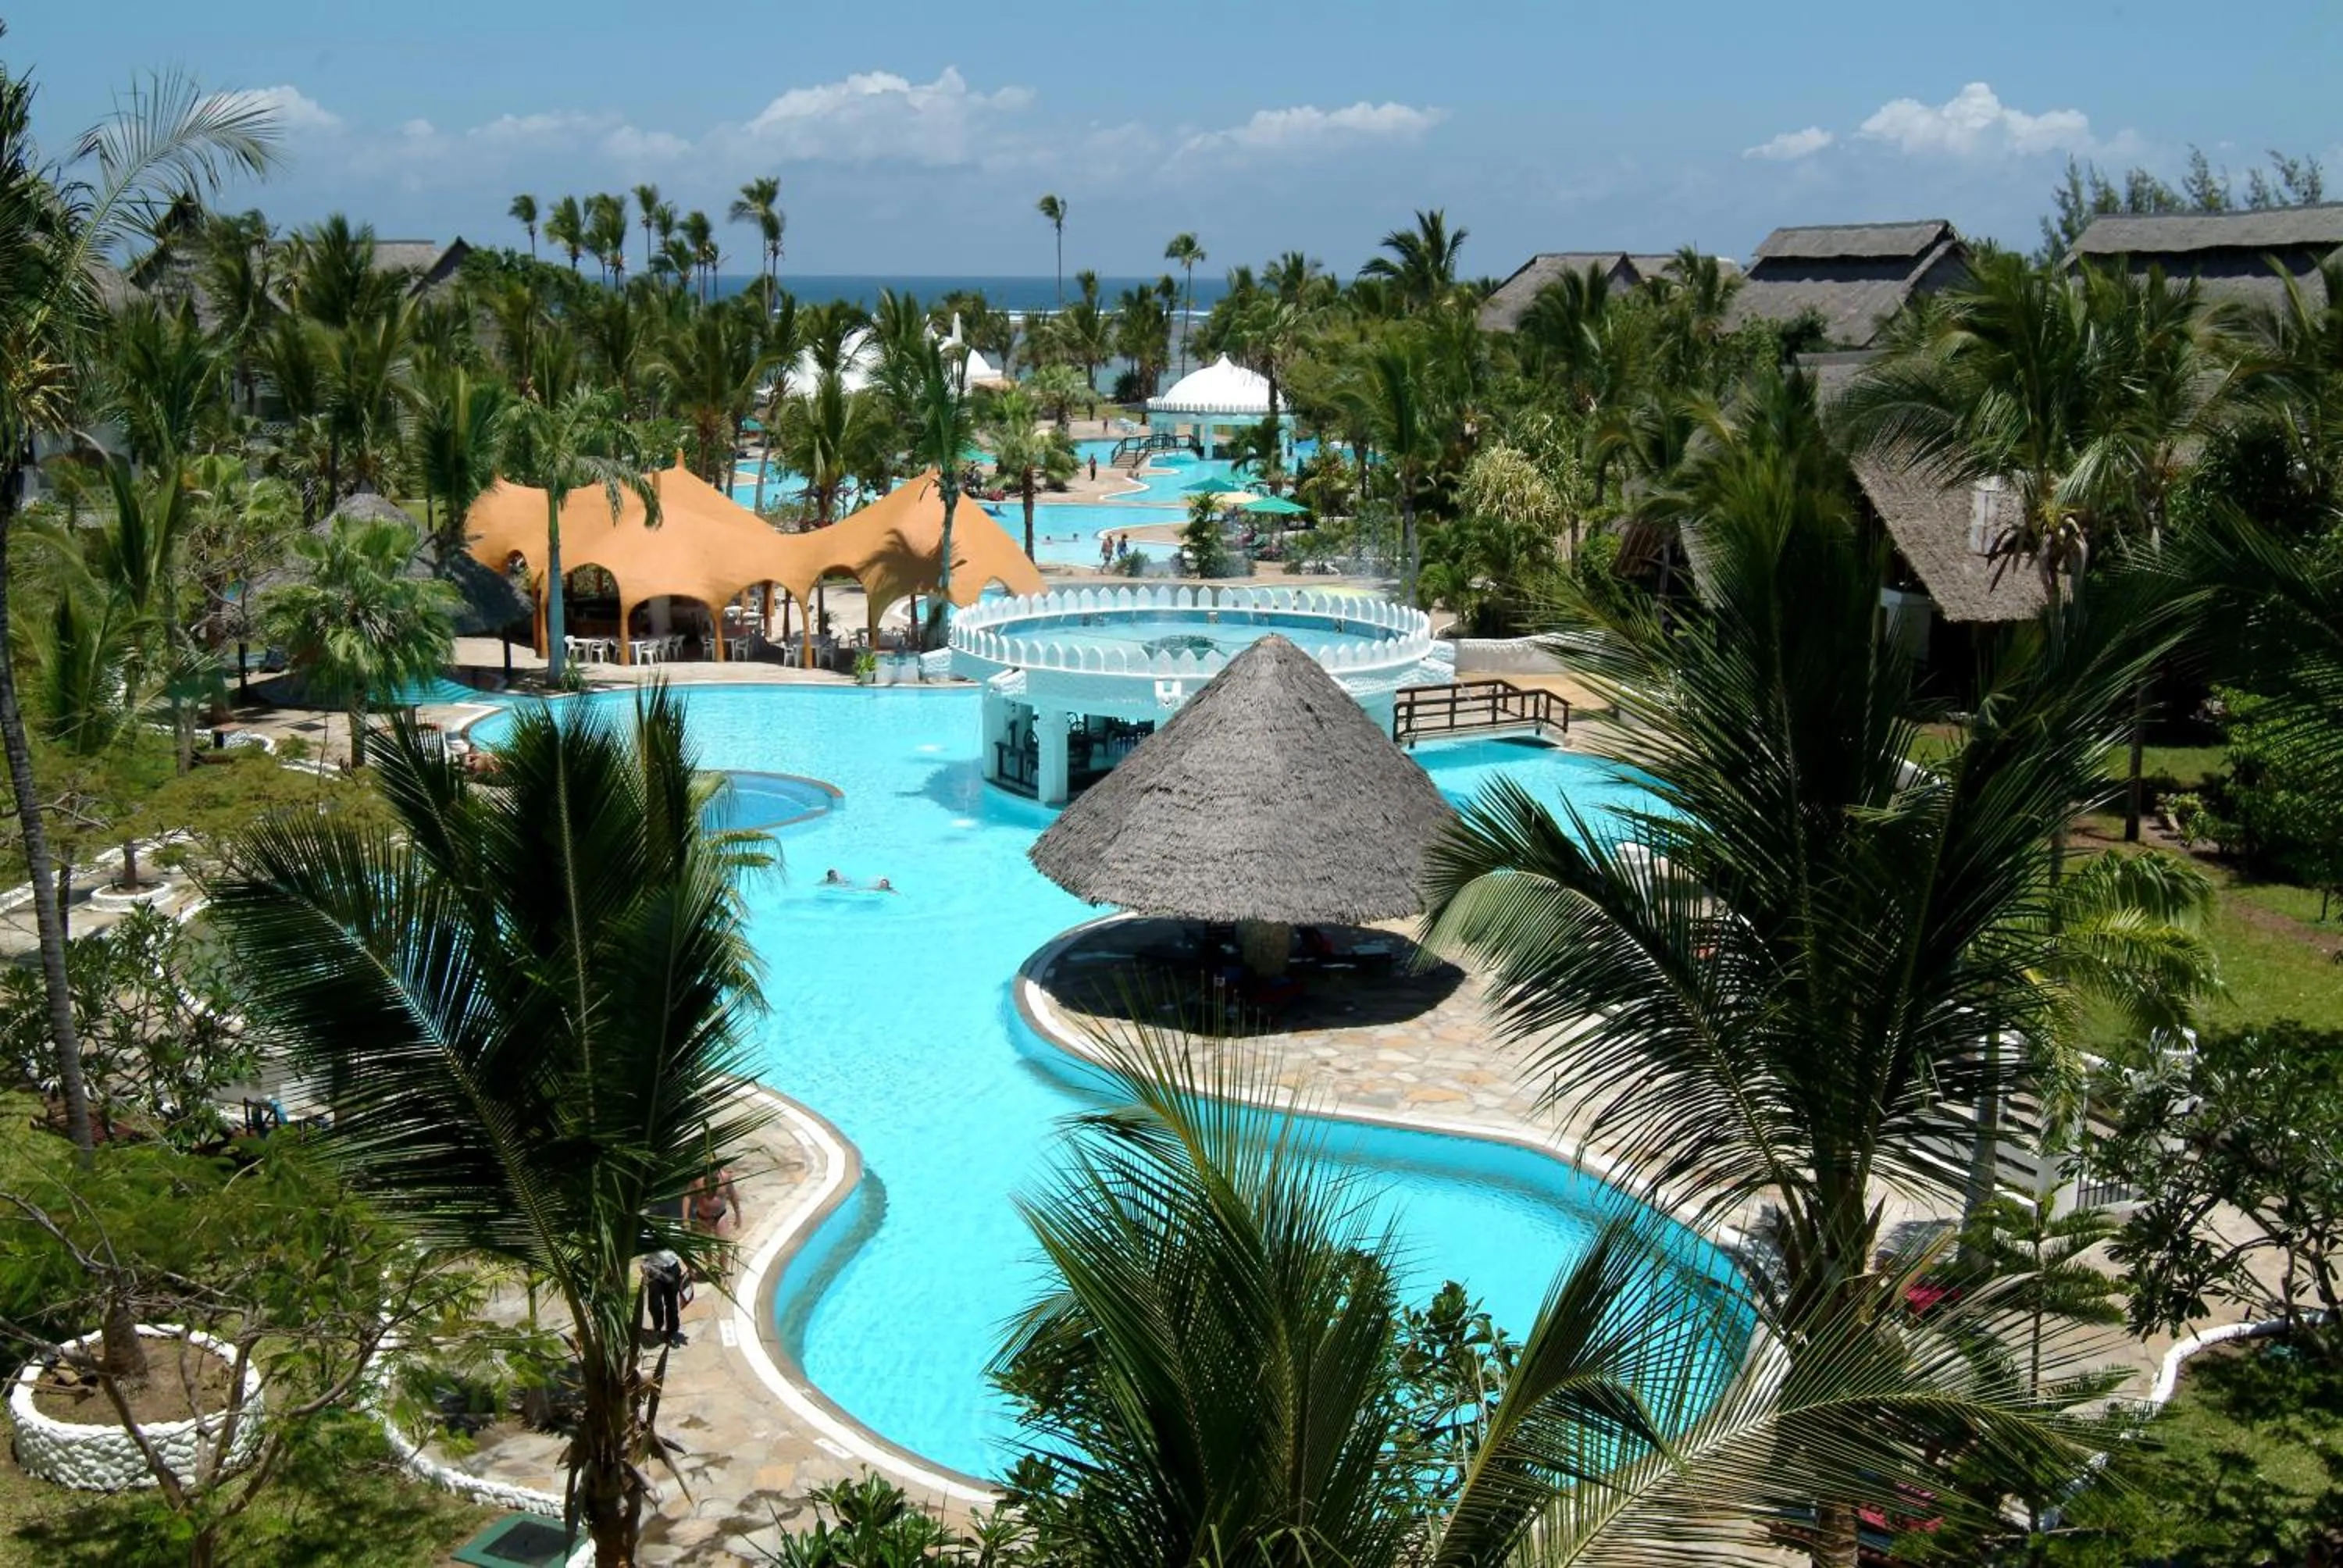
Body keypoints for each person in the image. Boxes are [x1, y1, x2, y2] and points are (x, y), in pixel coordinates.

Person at [640, 1246, 686, 1347]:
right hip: (654, 1269)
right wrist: (644, 1264)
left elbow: (681, 1247)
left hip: (672, 1268)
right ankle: (657, 1328)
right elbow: (643, 1251)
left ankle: (672, 1332)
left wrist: (691, 1269)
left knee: (671, 1303)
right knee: (654, 1304)